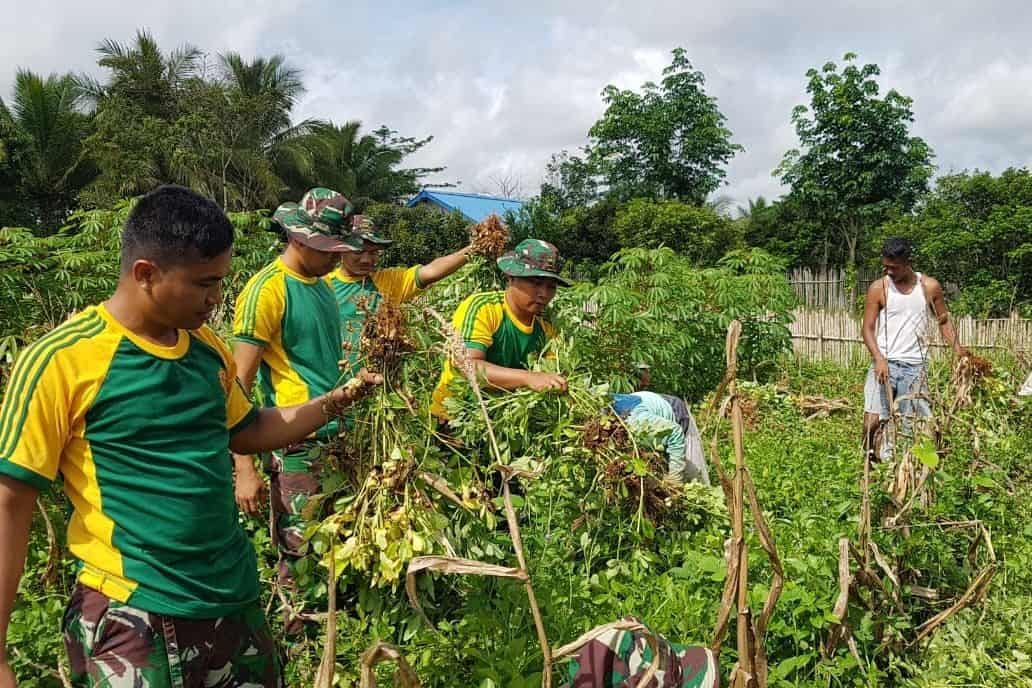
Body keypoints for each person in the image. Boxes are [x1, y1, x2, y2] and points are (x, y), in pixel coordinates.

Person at [0, 186, 378, 688]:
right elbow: (11, 500)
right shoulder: (64, 360)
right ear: (146, 274)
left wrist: (335, 401)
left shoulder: (207, 349)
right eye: (204, 283)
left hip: (233, 600)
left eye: (219, 281)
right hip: (135, 610)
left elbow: (247, 431)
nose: (217, 298)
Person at [230, 188, 354, 600]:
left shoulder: (322, 286)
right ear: (298, 238)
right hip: (296, 442)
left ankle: (334, 641)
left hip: (337, 438)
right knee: (301, 558)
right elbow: (238, 386)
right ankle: (300, 644)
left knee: (336, 550)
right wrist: (244, 468)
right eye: (328, 248)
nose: (337, 257)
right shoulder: (267, 290)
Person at [430, 239, 570, 420]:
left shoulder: (547, 327)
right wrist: (529, 378)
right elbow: (468, 366)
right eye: (535, 283)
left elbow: (551, 375)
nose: (544, 294)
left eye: (551, 287)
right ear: (511, 277)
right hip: (453, 419)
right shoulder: (483, 308)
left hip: (502, 421)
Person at [861, 237, 967, 459]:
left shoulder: (929, 287)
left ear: (908, 261)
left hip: (916, 367)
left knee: (912, 424)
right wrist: (879, 358)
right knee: (872, 421)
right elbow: (867, 329)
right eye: (885, 266)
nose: (888, 271)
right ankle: (868, 463)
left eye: (894, 267)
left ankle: (906, 467)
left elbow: (944, 321)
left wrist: (958, 351)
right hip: (884, 364)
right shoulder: (878, 288)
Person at [329, 215, 473, 375]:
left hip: (378, 383)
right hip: (332, 381)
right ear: (341, 249)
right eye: (358, 251)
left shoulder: (388, 281)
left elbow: (431, 271)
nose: (366, 259)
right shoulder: (325, 284)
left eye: (374, 252)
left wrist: (472, 250)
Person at [610, 391, 710, 485]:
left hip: (677, 419)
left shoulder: (636, 421)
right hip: (652, 418)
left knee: (695, 480)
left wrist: (675, 477)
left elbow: (675, 433)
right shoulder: (608, 430)